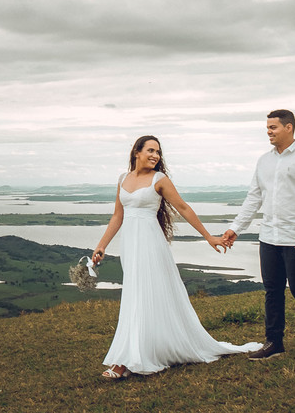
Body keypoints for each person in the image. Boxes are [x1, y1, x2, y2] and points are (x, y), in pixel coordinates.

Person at [91, 135, 261, 379]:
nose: (155, 155)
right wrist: (101, 245)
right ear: (136, 152)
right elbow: (118, 216)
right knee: (134, 294)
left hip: (150, 243)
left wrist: (208, 236)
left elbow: (183, 208)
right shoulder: (123, 179)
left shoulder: (159, 179)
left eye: (158, 152)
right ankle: (139, 352)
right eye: (150, 150)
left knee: (143, 295)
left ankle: (126, 361)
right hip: (130, 244)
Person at [220, 109, 295, 360]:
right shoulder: (263, 161)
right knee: (272, 290)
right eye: (267, 128)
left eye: (273, 127)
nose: (268, 132)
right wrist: (236, 228)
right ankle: (274, 342)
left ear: (289, 127)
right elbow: (254, 197)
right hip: (268, 236)